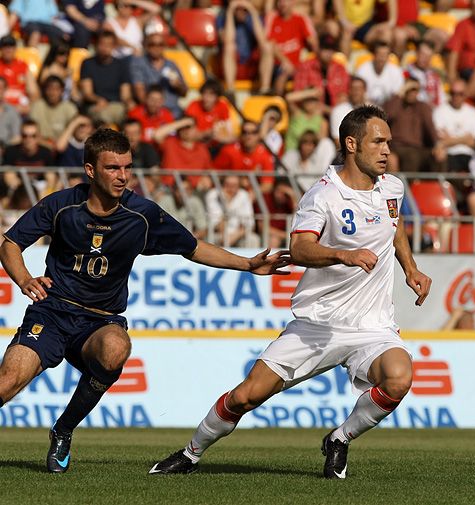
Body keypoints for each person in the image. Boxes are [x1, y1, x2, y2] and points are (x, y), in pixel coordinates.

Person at [149, 105, 432, 478]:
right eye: (378, 142)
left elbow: (394, 226)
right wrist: (341, 255)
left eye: (388, 143)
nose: (386, 151)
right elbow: (299, 249)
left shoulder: (390, 188)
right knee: (246, 395)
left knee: (400, 376)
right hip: (316, 324)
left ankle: (340, 439)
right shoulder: (323, 196)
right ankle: (191, 453)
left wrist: (410, 269)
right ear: (351, 144)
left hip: (372, 325)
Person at [0, 128, 290, 473]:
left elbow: (193, 247)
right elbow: (10, 243)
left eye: (127, 167)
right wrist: (24, 279)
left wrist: (247, 264)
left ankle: (63, 430)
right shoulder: (61, 205)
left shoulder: (142, 214)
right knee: (7, 383)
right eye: (112, 168)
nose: (122, 176)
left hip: (99, 320)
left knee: (115, 349)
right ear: (90, 170)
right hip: (52, 312)